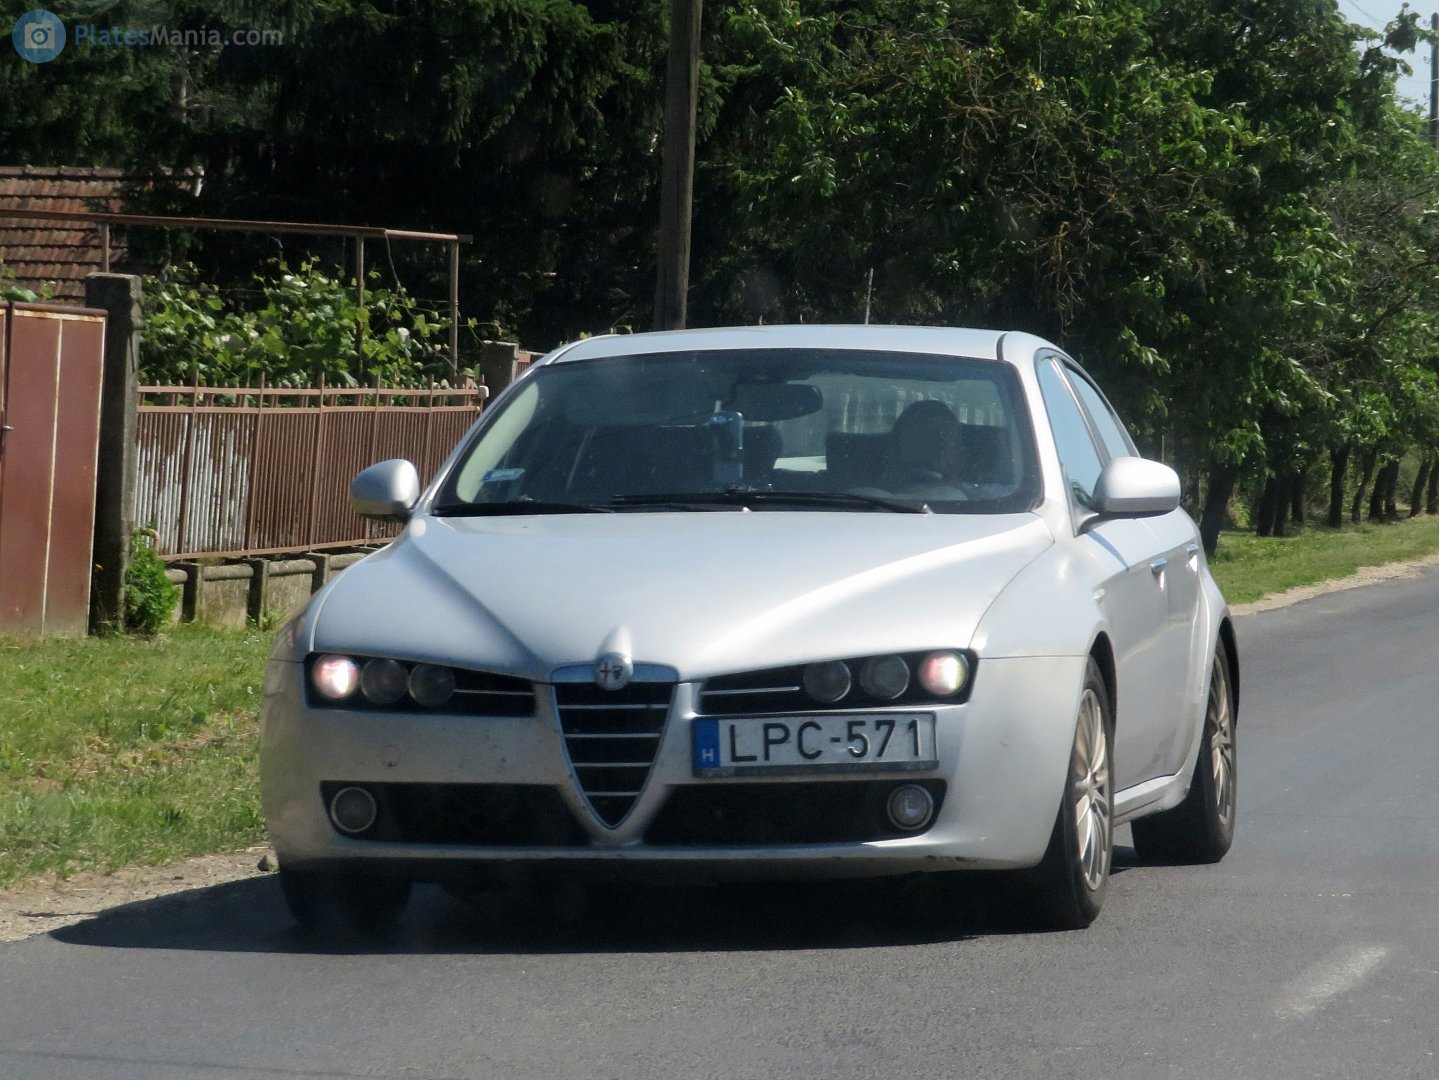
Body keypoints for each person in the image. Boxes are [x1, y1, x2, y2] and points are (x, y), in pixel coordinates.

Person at [881, 399, 965, 489]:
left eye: (939, 445)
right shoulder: (869, 498)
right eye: (914, 446)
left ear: (961, 455)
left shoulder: (978, 499)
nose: (927, 457)